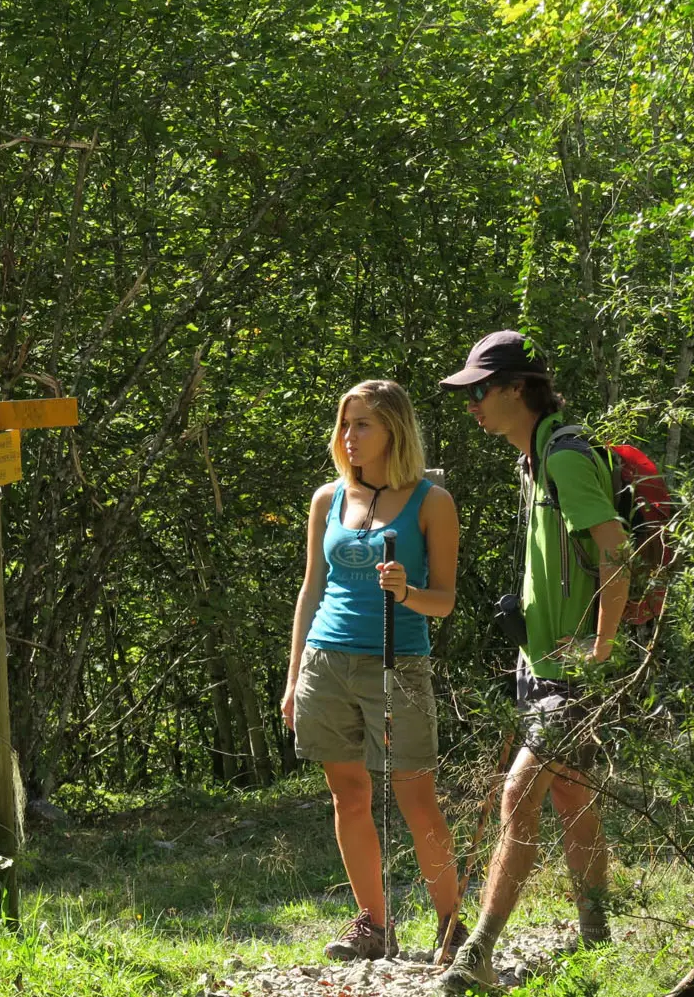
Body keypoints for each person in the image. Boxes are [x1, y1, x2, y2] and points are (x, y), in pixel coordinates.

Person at [434, 332, 630, 994]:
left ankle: (478, 953)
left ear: (518, 388)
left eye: (481, 391)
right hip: (540, 664)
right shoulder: (534, 457)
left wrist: (600, 650)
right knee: (575, 798)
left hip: (572, 672)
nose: (473, 406)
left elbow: (615, 551)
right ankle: (599, 947)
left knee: (520, 793)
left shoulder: (565, 458)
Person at [283, 379, 467, 963]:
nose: (349, 436)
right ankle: (373, 924)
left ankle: (452, 925)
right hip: (326, 661)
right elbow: (311, 590)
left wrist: (406, 591)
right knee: (348, 796)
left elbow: (444, 600)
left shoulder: (431, 502)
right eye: (345, 424)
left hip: (398, 664)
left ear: (395, 429)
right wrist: (293, 679)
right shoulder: (327, 498)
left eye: (362, 424)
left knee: (416, 797)